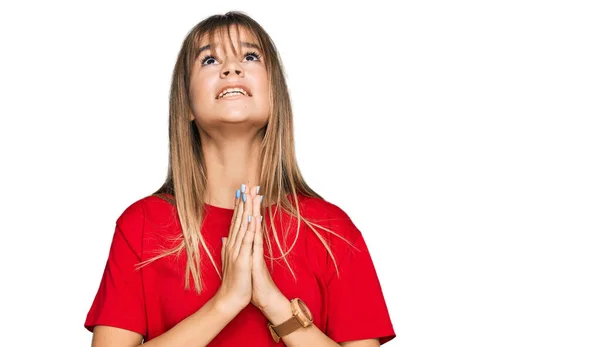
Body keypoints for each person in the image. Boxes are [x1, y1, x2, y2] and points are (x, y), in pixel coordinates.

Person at [84, 11, 396, 347]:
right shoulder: (142, 226)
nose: (231, 68)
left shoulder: (332, 231)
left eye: (249, 56)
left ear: (274, 95)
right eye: (209, 59)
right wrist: (226, 301)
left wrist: (271, 302)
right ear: (186, 103)